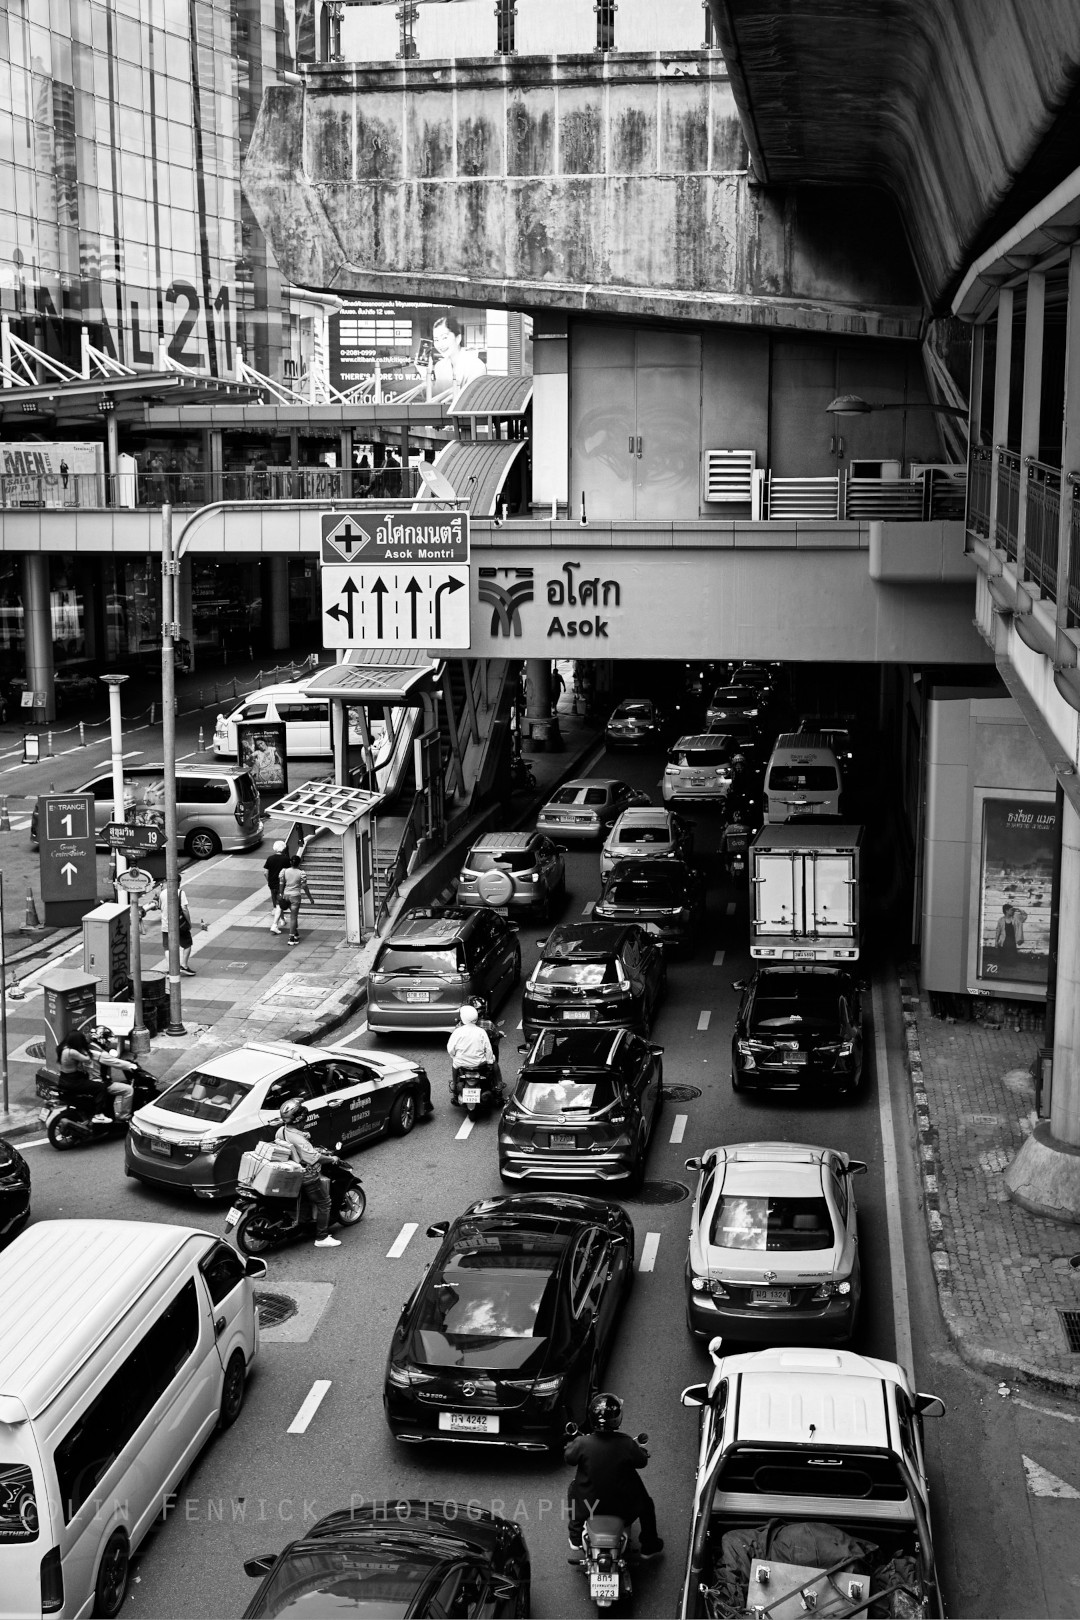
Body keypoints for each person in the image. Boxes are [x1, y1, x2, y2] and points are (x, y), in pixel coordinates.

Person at [565, 1392, 663, 1561]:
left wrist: (571, 1445)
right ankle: (649, 1546)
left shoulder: (582, 1443)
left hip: (589, 1505)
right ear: (617, 1419)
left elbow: (569, 1459)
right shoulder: (627, 1443)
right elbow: (641, 1462)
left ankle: (575, 1537)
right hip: (623, 1506)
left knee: (573, 1491)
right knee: (647, 1505)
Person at [275, 1098, 340, 1248]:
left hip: (291, 1173)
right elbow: (314, 1158)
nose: (305, 1122)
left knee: (305, 1200)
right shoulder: (299, 1139)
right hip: (307, 1176)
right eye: (304, 1119)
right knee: (324, 1202)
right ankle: (322, 1237)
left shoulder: (281, 1131)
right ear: (299, 1120)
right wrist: (332, 1158)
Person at [56, 1030, 134, 1122]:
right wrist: (131, 1066)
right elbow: (88, 1059)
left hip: (63, 1079)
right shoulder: (77, 1052)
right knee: (104, 1088)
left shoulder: (63, 1049)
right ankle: (99, 1115)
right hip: (74, 1080)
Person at [430, 313, 486, 402]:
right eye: (436, 339)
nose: (440, 344)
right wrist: (424, 374)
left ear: (458, 338)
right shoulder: (439, 366)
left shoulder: (476, 365)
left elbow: (474, 399)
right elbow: (436, 398)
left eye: (444, 338)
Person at [446, 1004, 495, 1072]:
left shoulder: (457, 1031)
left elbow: (450, 1049)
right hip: (479, 1063)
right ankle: (498, 1079)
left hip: (460, 1063)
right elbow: (488, 1048)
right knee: (493, 1060)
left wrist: (454, 1056)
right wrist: (490, 1061)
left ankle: (454, 1079)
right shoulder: (481, 1031)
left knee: (454, 1066)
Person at [278, 855, 314, 946]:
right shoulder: (301, 873)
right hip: (295, 897)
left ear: (290, 862)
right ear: (299, 863)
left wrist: (281, 894)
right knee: (293, 917)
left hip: (286, 895)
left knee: (293, 916)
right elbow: (304, 886)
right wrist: (310, 898)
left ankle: (296, 933)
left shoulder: (284, 871)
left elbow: (281, 884)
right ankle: (291, 937)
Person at [162, 883, 196, 975]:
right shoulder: (180, 892)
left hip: (165, 924)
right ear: (179, 882)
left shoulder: (163, 893)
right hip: (179, 925)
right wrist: (189, 922)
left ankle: (170, 970)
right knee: (187, 944)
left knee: (167, 948)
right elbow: (184, 908)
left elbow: (160, 907)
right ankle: (184, 966)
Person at [264, 839, 291, 933]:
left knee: (278, 902)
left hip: (272, 885)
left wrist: (269, 881)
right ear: (283, 849)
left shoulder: (270, 858)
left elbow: (265, 872)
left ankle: (282, 919)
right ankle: (275, 924)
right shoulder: (286, 859)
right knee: (280, 903)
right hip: (281, 885)